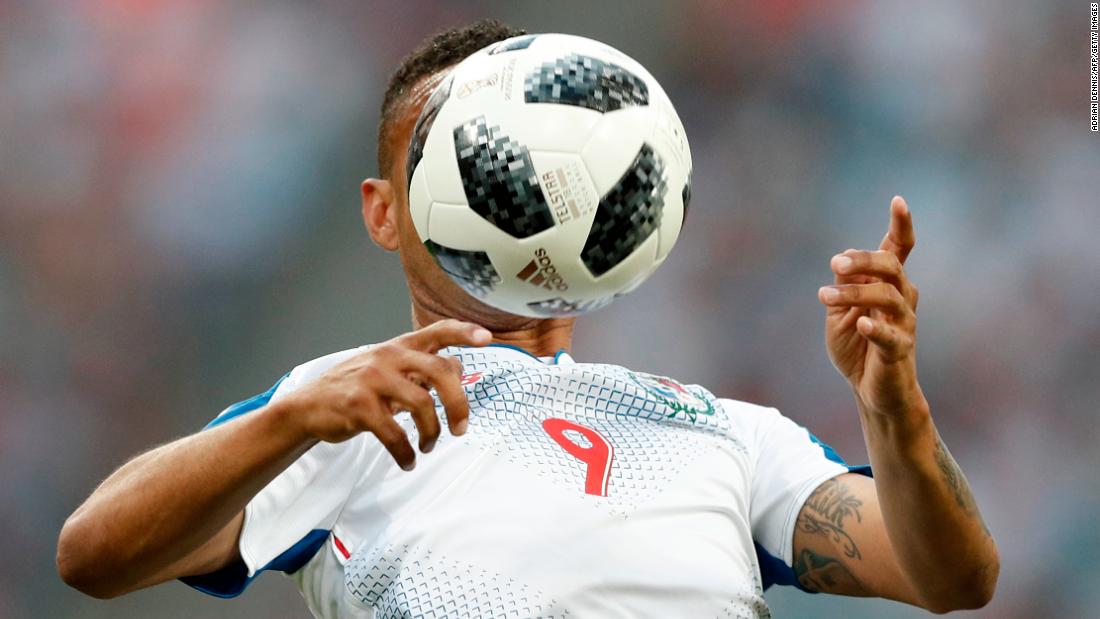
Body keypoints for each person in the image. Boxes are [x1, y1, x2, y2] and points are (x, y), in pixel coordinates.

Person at [56, 20, 998, 618]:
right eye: (479, 163)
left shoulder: (730, 431)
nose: (518, 191)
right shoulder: (347, 408)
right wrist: (292, 418)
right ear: (385, 210)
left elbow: (953, 580)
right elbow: (92, 554)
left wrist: (895, 407)